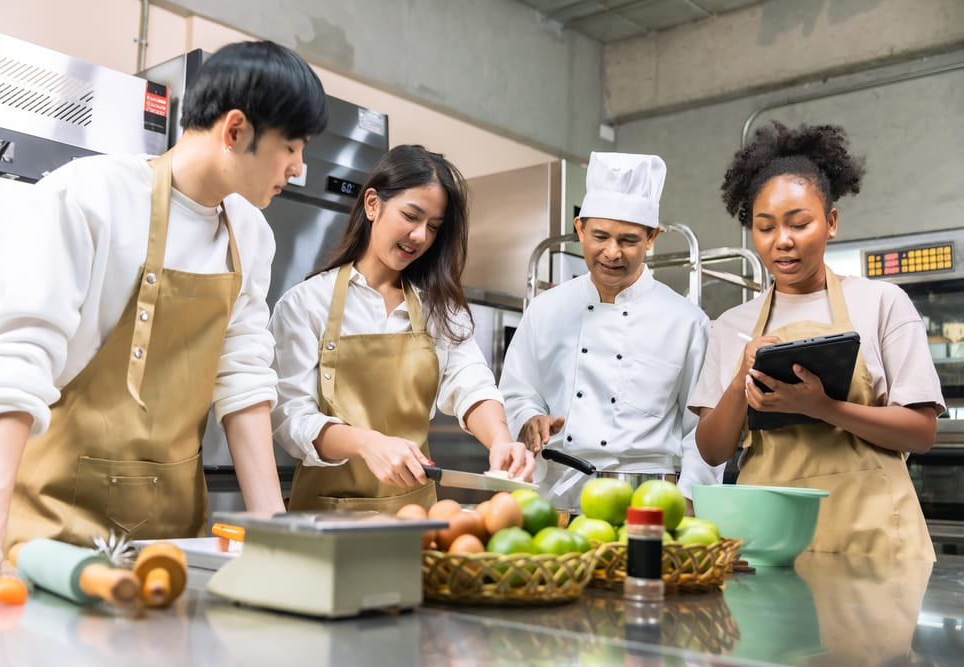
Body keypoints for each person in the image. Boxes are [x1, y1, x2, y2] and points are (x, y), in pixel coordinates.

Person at [0, 40, 329, 567]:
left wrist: (274, 530)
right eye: (292, 147)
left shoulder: (251, 234)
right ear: (235, 131)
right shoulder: (88, 197)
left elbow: (243, 377)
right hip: (52, 538)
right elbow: (18, 359)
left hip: (175, 547)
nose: (299, 168)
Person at [688, 121, 941, 561]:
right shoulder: (733, 325)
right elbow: (711, 451)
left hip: (872, 539)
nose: (782, 241)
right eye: (765, 228)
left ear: (832, 223)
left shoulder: (882, 303)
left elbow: (920, 432)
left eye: (799, 223)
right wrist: (738, 383)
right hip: (770, 540)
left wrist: (821, 407)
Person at [270, 144, 536, 512]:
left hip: (415, 517)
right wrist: (368, 443)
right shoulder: (305, 304)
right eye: (411, 216)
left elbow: (471, 382)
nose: (420, 236)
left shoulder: (438, 307)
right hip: (325, 518)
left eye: (433, 227)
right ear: (372, 204)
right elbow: (290, 418)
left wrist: (501, 440)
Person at [499, 152, 722, 511]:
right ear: (580, 229)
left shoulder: (686, 321)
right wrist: (528, 419)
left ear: (652, 237)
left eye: (628, 240)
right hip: (553, 499)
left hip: (647, 502)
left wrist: (689, 501)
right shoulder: (545, 310)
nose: (612, 253)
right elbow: (515, 392)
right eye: (599, 236)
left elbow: (702, 432)